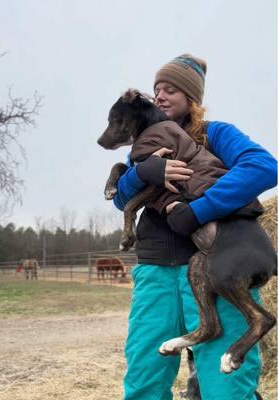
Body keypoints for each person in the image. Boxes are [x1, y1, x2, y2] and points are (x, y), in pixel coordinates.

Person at [112, 54, 277, 400]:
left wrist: (200, 210)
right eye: (156, 89)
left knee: (226, 389)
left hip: (214, 266)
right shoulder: (145, 145)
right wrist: (143, 173)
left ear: (192, 97)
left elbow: (264, 167)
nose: (160, 95)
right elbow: (119, 199)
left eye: (170, 89)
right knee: (144, 380)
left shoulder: (214, 134)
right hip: (155, 273)